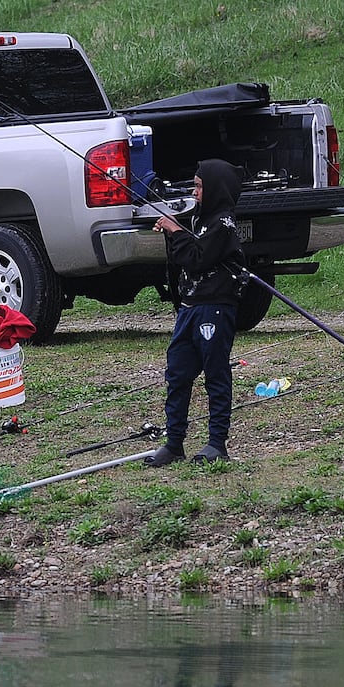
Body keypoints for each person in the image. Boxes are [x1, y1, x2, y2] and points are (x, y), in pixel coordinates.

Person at [146, 159, 247, 466]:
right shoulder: (201, 221)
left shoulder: (223, 225)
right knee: (177, 374)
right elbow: (189, 256)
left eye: (200, 185)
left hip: (214, 309)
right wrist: (172, 231)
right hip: (190, 308)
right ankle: (174, 443)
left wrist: (176, 231)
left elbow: (199, 259)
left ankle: (217, 444)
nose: (195, 191)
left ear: (215, 188)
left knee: (215, 373)